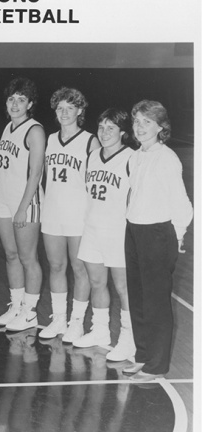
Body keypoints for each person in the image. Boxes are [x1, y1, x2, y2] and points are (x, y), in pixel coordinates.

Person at [121, 100, 191, 382]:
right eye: (136, 121)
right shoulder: (135, 157)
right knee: (137, 297)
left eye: (146, 122)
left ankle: (157, 365)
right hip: (134, 231)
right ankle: (143, 355)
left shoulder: (167, 158)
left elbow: (182, 204)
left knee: (156, 301)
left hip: (158, 235)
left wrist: (177, 236)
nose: (139, 127)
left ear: (160, 127)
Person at [38, 88, 96, 341]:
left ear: (80, 111)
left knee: (79, 268)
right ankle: (59, 319)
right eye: (60, 108)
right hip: (52, 212)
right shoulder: (49, 139)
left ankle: (77, 322)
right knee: (56, 266)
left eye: (70, 108)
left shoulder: (90, 141)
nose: (64, 113)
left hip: (79, 215)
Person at [77, 108, 134, 354]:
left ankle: (128, 339)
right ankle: (99, 330)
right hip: (92, 228)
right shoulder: (92, 155)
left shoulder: (133, 158)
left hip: (119, 232)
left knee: (123, 287)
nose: (104, 132)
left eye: (111, 127)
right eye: (101, 127)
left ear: (123, 132)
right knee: (97, 282)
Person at [0, 77, 46, 331]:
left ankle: (30, 311)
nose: (15, 104)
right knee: (11, 255)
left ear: (30, 104)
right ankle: (16, 305)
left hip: (26, 202)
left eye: (21, 100)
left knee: (28, 258)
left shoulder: (34, 130)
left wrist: (23, 207)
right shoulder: (7, 128)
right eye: (11, 99)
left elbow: (36, 173)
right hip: (5, 200)